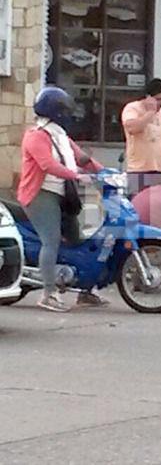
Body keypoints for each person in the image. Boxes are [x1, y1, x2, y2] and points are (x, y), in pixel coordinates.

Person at [17, 87, 105, 312]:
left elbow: (80, 157)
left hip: (64, 193)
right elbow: (47, 164)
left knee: (79, 237)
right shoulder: (36, 135)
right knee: (51, 240)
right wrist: (77, 175)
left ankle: (83, 289)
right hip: (40, 194)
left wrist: (105, 172)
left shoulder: (60, 134)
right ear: (56, 111)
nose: (69, 114)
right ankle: (48, 293)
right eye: (65, 110)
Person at [121, 78, 161, 195]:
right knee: (139, 209)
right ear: (148, 97)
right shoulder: (132, 109)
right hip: (140, 171)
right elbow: (132, 128)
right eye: (158, 99)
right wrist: (150, 113)